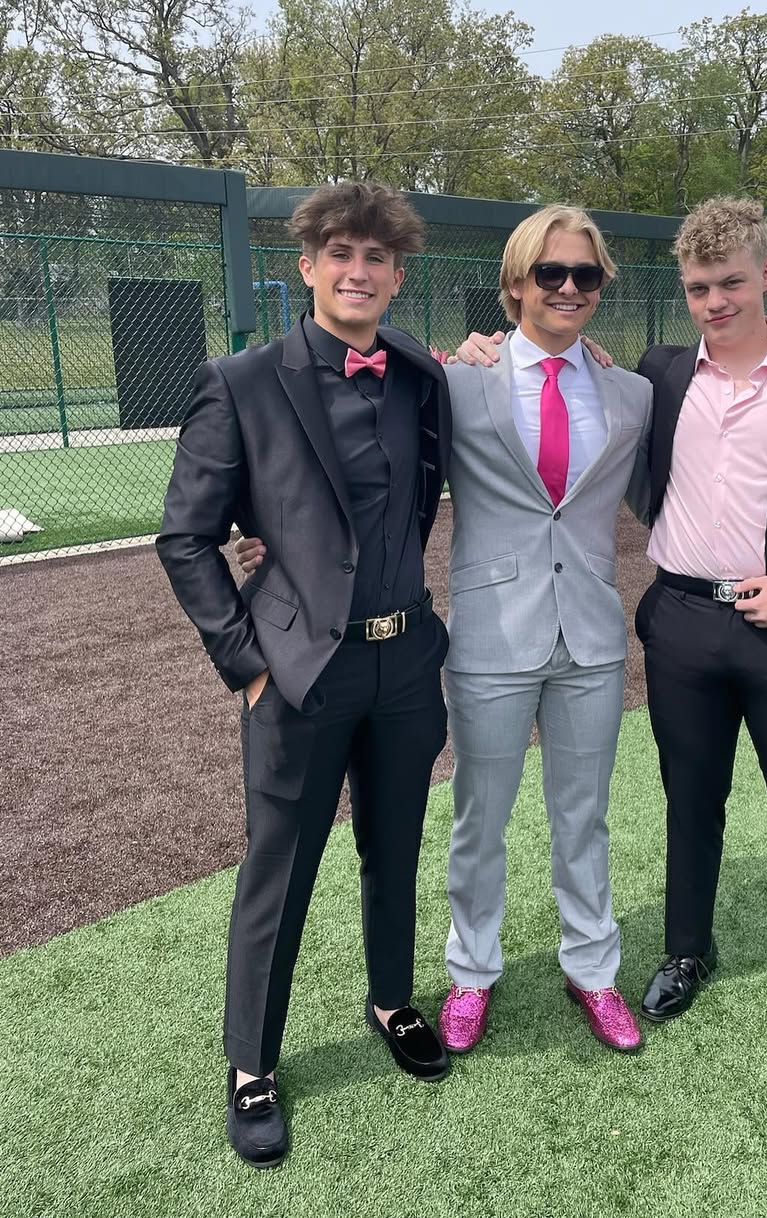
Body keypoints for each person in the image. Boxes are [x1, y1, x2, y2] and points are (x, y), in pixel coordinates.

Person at [459, 196, 767, 1084]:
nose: (715, 302)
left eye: (730, 282)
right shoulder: (658, 375)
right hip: (683, 624)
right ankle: (686, 951)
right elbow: (575, 399)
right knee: (690, 802)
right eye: (699, 288)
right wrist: (479, 347)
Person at [240, 205, 652, 1055]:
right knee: (479, 819)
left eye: (584, 275)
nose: (568, 288)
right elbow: (358, 466)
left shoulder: (632, 394)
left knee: (585, 818)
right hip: (490, 636)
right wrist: (272, 537)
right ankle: (471, 973)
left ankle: (593, 971)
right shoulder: (453, 381)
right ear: (515, 285)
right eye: (550, 273)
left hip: (591, 639)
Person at [157, 181, 453, 1170]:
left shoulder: (419, 373)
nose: (358, 271)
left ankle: (391, 999)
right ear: (308, 265)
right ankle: (252, 1064)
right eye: (341, 253)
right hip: (295, 675)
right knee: (279, 871)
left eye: (376, 257)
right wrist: (246, 664)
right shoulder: (240, 382)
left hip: (406, 661)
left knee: (395, 846)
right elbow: (186, 538)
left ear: (398, 274)